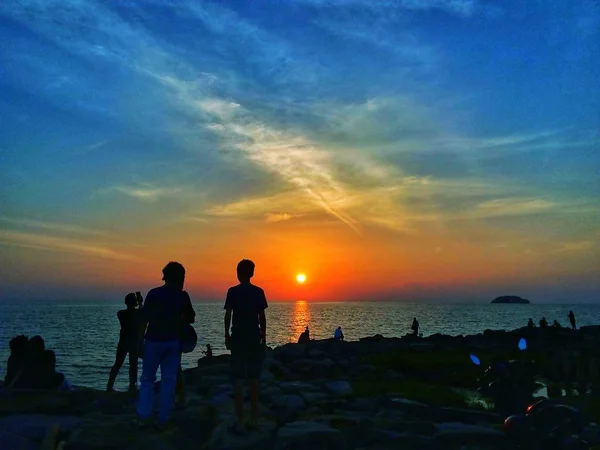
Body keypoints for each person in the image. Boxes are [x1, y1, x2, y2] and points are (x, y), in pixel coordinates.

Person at [136, 262, 194, 429]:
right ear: (180, 278)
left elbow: (144, 319)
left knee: (147, 379)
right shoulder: (183, 296)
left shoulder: (153, 293)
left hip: (153, 340)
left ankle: (144, 415)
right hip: (172, 342)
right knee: (169, 381)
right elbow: (191, 318)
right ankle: (164, 417)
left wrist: (140, 341)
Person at [224, 259, 268, 434]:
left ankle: (240, 418)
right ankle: (254, 418)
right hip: (253, 336)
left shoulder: (232, 292)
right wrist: (264, 336)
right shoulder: (258, 292)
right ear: (252, 273)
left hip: (239, 337)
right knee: (254, 377)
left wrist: (226, 334)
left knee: (237, 378)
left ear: (238, 273)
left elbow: (228, 315)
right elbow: (262, 316)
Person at [107, 293, 142, 392]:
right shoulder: (137, 313)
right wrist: (140, 303)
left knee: (118, 364)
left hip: (123, 342)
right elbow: (142, 313)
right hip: (132, 342)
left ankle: (110, 386)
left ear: (126, 302)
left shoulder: (121, 313)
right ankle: (132, 386)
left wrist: (136, 304)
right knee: (133, 365)